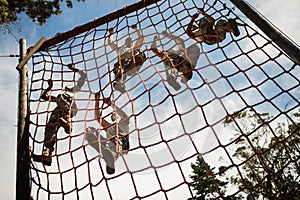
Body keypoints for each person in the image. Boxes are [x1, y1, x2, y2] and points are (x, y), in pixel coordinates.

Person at [32, 64, 86, 166]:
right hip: (59, 111)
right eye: (65, 87)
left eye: (68, 86)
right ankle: (47, 154)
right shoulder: (58, 97)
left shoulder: (75, 90)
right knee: (50, 128)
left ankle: (67, 124)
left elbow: (83, 76)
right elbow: (44, 97)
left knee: (62, 100)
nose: (66, 87)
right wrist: (49, 87)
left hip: (70, 107)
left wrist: (74, 69)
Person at [85, 92, 130, 174]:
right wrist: (97, 101)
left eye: (115, 114)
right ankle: (104, 152)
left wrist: (111, 104)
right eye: (113, 115)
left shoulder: (123, 123)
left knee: (115, 141)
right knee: (90, 131)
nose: (114, 115)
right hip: (110, 143)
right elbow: (98, 118)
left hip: (122, 142)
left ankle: (111, 153)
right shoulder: (109, 127)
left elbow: (125, 116)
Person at [108, 24, 146, 92]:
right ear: (125, 42)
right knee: (120, 65)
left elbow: (141, 38)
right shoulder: (120, 49)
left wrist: (136, 29)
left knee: (138, 51)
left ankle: (137, 61)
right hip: (122, 67)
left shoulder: (134, 48)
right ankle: (119, 84)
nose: (129, 42)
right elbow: (111, 43)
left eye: (131, 41)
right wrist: (111, 34)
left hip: (132, 66)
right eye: (128, 40)